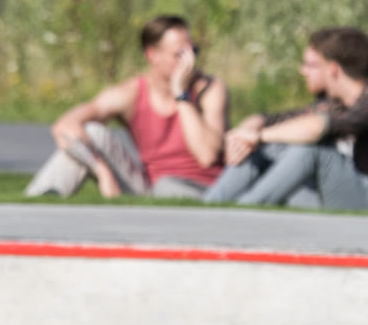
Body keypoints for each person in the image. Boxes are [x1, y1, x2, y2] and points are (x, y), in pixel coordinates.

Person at [208, 27, 368, 215]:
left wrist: (259, 136)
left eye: (313, 65)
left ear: (333, 69)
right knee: (273, 146)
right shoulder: (337, 103)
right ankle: (208, 207)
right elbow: (272, 120)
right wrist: (243, 134)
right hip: (347, 199)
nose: (303, 71)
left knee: (314, 151)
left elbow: (317, 127)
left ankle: (240, 214)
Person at [28, 14, 227, 199]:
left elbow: (207, 156)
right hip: (149, 189)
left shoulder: (208, 89)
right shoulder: (131, 93)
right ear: (152, 55)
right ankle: (36, 208)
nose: (190, 61)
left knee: (166, 186)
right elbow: (64, 126)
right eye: (180, 54)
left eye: (193, 51)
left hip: (199, 190)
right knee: (91, 135)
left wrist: (181, 94)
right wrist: (101, 170)